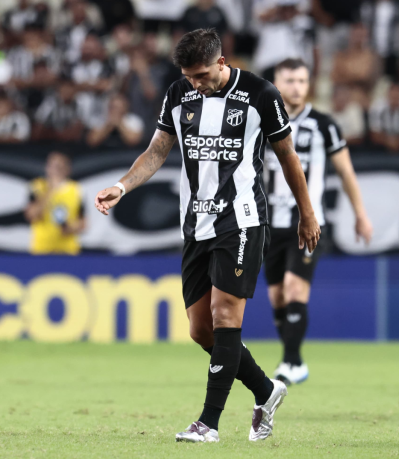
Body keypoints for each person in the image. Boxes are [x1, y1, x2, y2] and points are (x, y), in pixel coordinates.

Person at [93, 29, 320, 443]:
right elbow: (157, 151)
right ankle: (266, 391)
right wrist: (122, 187)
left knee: (225, 315)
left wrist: (307, 213)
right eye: (188, 76)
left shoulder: (260, 93)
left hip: (243, 220)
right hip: (196, 224)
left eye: (201, 75)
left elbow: (288, 155)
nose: (195, 83)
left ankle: (208, 423)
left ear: (221, 62)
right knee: (201, 330)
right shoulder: (179, 94)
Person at [264, 58, 373, 385]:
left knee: (294, 287)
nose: (297, 87)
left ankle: (289, 362)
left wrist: (360, 214)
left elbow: (346, 172)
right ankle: (295, 361)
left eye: (302, 80)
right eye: (290, 80)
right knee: (277, 296)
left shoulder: (324, 124)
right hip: (268, 224)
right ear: (276, 84)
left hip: (308, 224)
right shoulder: (261, 121)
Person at [25, 151, 86, 255]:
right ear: (47, 167)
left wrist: (71, 227)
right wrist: (51, 190)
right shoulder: (37, 186)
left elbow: (83, 222)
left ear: (67, 169)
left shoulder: (76, 189)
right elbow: (31, 215)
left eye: (59, 167)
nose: (55, 171)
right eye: (52, 166)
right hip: (42, 249)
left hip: (68, 250)